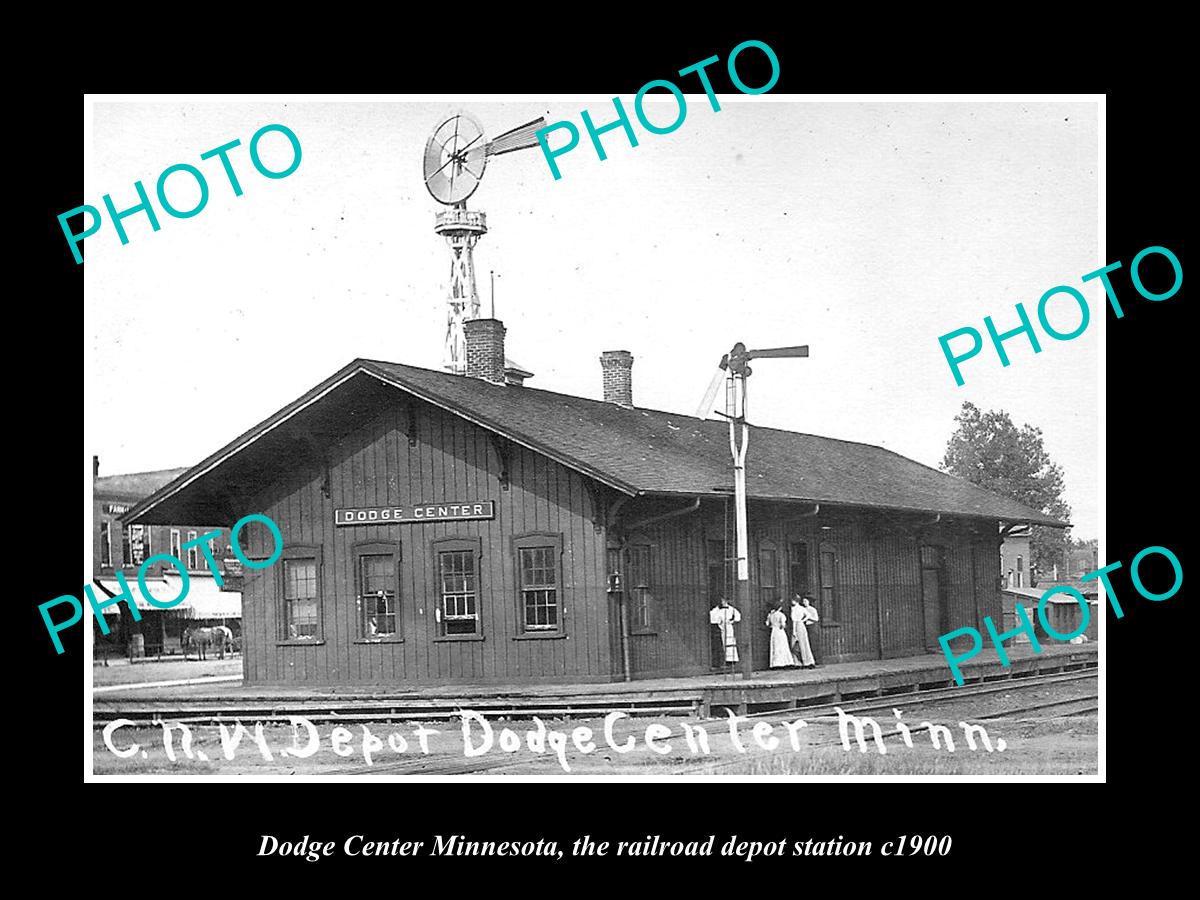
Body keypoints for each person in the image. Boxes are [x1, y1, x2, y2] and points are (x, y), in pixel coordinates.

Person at [709, 597, 741, 666]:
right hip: (720, 627)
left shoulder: (731, 609)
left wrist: (732, 621)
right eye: (721, 601)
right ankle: (722, 660)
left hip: (729, 627)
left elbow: (738, 616)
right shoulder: (717, 609)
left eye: (724, 600)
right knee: (721, 643)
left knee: (730, 642)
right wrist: (718, 621)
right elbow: (712, 616)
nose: (722, 602)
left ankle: (731, 660)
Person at [766, 601, 797, 668]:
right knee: (782, 645)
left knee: (775, 646)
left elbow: (767, 624)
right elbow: (783, 625)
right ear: (780, 608)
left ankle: (775, 663)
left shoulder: (771, 615)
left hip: (774, 631)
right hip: (780, 631)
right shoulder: (781, 615)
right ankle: (784, 662)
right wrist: (784, 626)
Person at [789, 594, 816, 668]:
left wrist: (794, 632)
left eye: (792, 600)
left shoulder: (794, 609)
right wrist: (803, 620)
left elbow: (794, 621)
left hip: (797, 626)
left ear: (795, 601)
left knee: (795, 643)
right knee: (804, 643)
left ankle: (797, 662)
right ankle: (808, 660)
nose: (791, 602)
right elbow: (808, 615)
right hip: (802, 626)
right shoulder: (802, 608)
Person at [796, 595, 820, 668]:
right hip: (804, 627)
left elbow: (816, 619)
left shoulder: (812, 609)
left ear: (809, 602)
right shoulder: (802, 609)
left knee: (813, 642)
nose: (804, 603)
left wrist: (808, 618)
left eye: (806, 601)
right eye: (803, 601)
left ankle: (816, 660)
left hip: (811, 626)